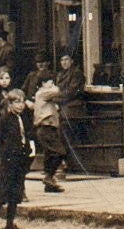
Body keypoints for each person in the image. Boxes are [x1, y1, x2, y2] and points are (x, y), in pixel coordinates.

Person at [0, 89, 32, 229]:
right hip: (7, 162)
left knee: (15, 193)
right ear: (10, 104)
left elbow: (25, 136)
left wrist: (26, 151)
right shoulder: (5, 119)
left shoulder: (23, 118)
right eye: (17, 102)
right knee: (0, 193)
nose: (20, 105)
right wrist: (6, 155)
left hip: (19, 161)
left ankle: (10, 224)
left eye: (22, 102)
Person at [51, 50, 88, 181]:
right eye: (62, 60)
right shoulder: (60, 74)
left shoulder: (77, 73)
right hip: (61, 105)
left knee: (62, 128)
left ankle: (63, 162)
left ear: (72, 61)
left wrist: (55, 99)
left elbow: (72, 92)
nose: (64, 62)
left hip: (73, 107)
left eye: (66, 60)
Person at [32, 78, 66, 193]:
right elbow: (57, 91)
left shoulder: (46, 97)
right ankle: (49, 177)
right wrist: (55, 87)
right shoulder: (41, 93)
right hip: (45, 128)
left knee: (49, 154)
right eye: (50, 83)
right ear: (42, 84)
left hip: (49, 128)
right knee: (60, 152)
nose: (52, 86)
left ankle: (49, 183)